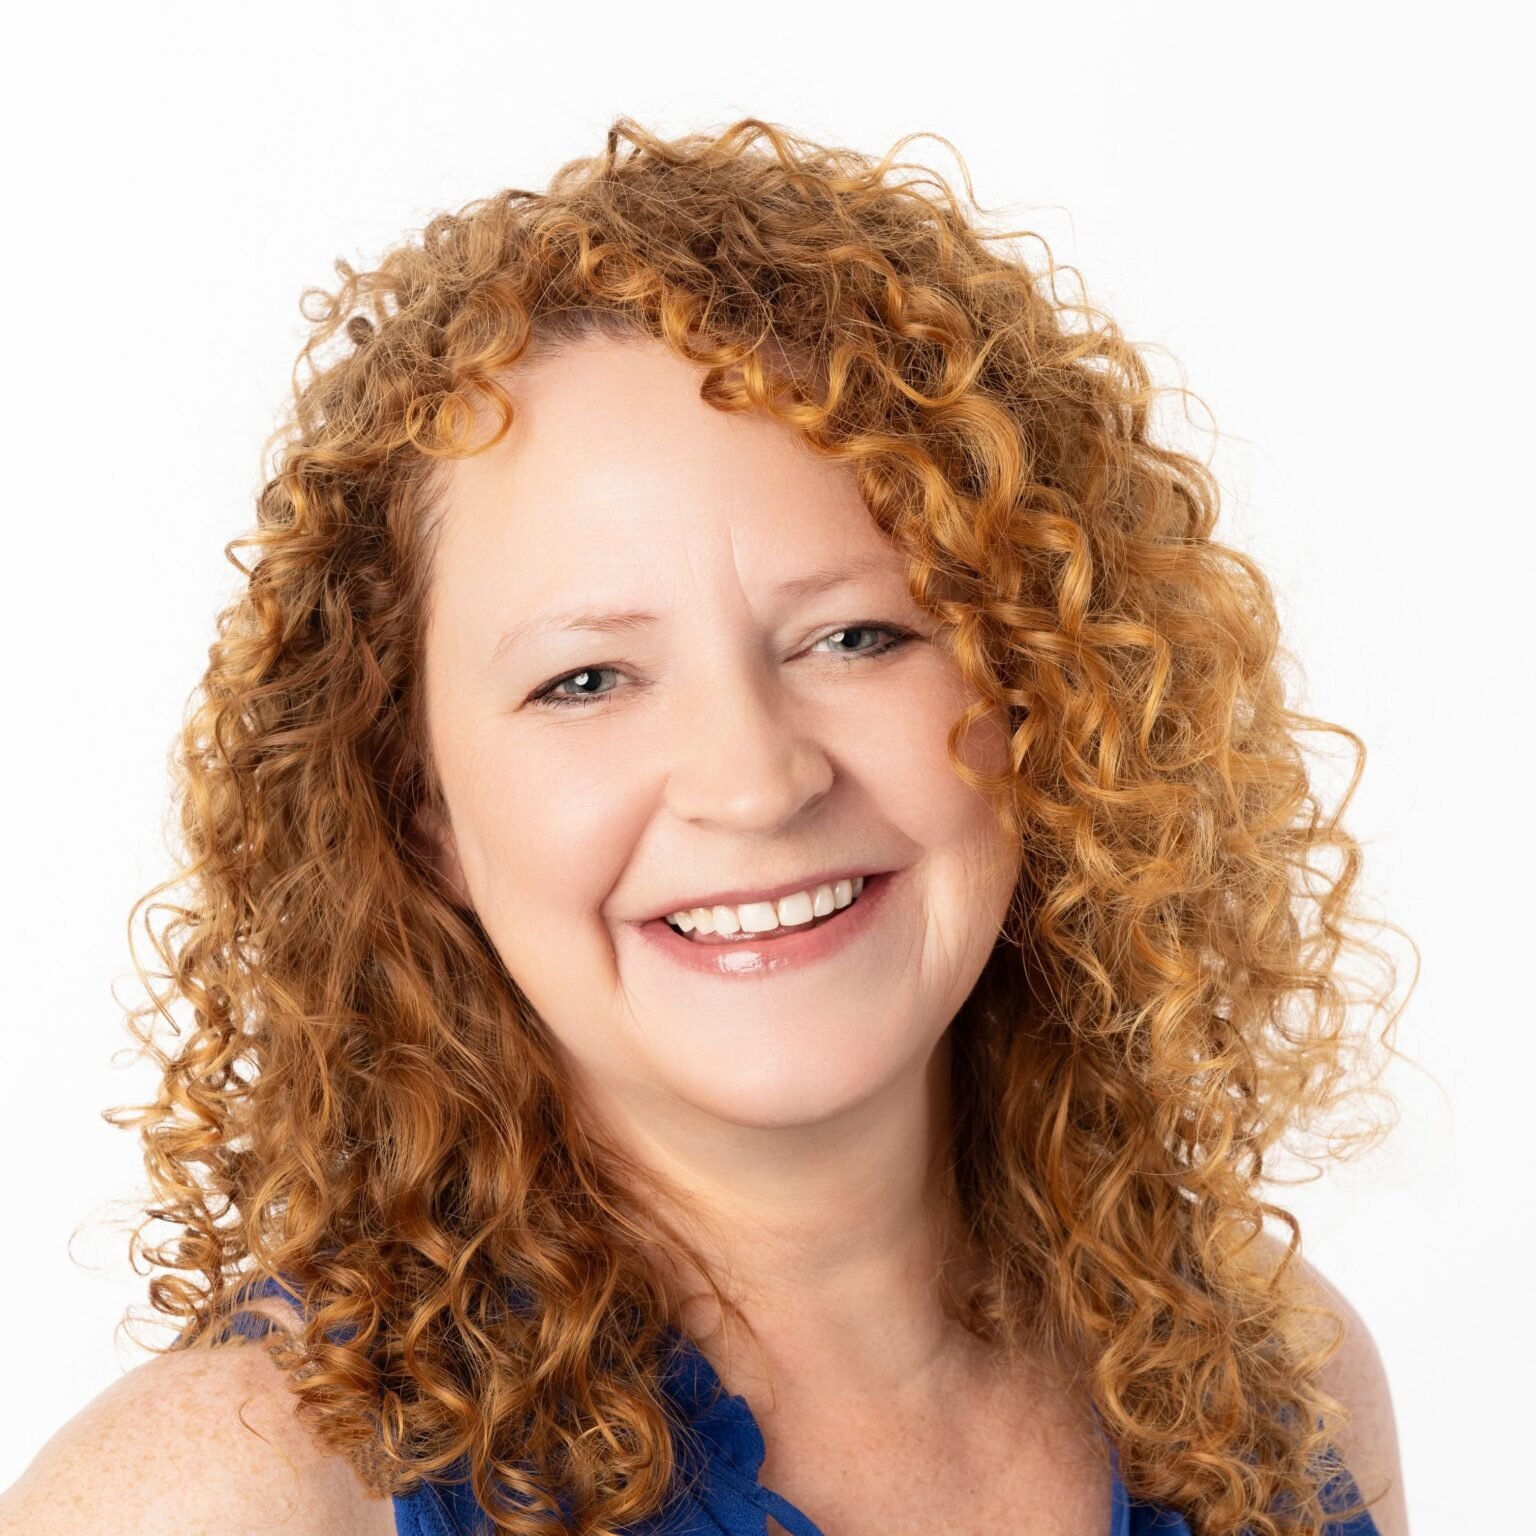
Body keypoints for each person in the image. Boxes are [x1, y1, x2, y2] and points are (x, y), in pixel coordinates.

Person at [0, 117, 1410, 1536]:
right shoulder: (226, 1498)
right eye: (586, 679)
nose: (753, 781)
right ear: (417, 804)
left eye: (858, 636)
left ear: (1045, 689)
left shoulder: (1280, 1384)